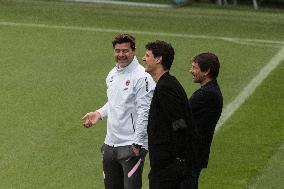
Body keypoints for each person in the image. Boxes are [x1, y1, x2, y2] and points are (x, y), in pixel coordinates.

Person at [82, 33, 155, 189]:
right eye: (117, 51)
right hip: (110, 144)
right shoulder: (112, 74)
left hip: (131, 145)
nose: (121, 55)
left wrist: (137, 143)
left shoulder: (142, 77)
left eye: (125, 50)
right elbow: (115, 102)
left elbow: (145, 111)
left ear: (133, 51)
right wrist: (99, 113)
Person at [142, 40, 193, 189]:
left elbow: (180, 124)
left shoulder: (165, 87)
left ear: (158, 59)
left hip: (168, 167)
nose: (144, 59)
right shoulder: (167, 83)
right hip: (166, 164)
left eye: (147, 55)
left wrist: (177, 158)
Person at [185, 52, 223, 189]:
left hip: (191, 155)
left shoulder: (206, 94)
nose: (191, 71)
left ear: (206, 71)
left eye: (194, 68)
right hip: (196, 153)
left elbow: (182, 115)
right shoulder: (211, 91)